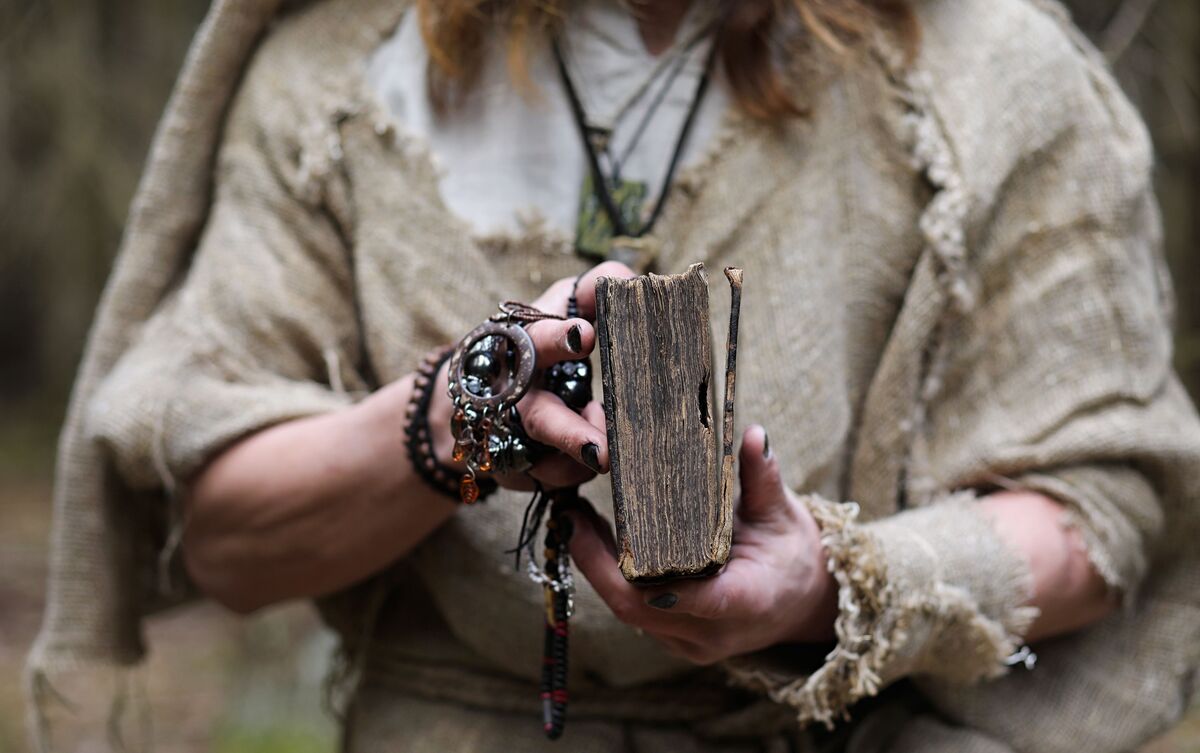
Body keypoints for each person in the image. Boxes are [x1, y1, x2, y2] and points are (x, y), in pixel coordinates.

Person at [27, 0, 1200, 751]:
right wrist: (452, 424)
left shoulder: (984, 70)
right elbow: (229, 536)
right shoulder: (334, 75)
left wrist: (832, 588)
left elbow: (1104, 506)